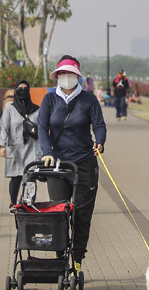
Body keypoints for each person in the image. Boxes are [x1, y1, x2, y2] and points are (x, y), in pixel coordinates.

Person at [38, 55, 106, 275]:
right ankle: (60, 258)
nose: (66, 78)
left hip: (84, 162)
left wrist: (100, 142)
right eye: (62, 74)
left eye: (70, 74)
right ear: (57, 76)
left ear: (77, 76)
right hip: (57, 164)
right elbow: (41, 128)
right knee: (58, 212)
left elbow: (100, 125)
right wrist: (47, 153)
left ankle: (77, 259)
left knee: (81, 214)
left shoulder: (88, 100)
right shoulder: (49, 100)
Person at [0, 80, 42, 211]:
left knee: (31, 178)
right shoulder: (10, 109)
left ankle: (28, 204)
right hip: (15, 149)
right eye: (19, 89)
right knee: (16, 178)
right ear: (16, 91)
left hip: (32, 149)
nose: (22, 91)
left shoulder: (36, 110)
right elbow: (3, 127)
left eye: (25, 89)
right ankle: (13, 203)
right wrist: (2, 146)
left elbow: (42, 130)